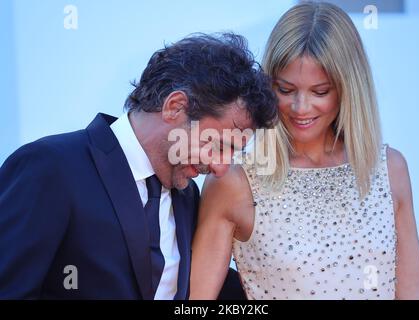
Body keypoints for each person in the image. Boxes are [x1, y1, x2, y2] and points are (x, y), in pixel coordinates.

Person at [0, 33, 277, 299]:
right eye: (218, 145)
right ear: (175, 106)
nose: (220, 167)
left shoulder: (188, 196)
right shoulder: (50, 167)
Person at [190, 3, 419, 299]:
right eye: (286, 89)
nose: (300, 108)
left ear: (348, 89)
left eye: (320, 92)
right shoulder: (234, 181)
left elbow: (415, 294)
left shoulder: (388, 168)